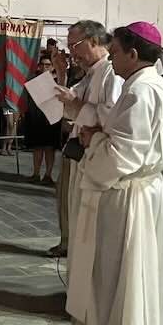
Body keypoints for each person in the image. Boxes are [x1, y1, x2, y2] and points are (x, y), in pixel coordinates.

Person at [67, 22, 163, 325]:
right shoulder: (152, 86)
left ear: (134, 54)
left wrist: (91, 142)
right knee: (134, 279)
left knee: (121, 280)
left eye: (115, 51)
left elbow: (123, 154)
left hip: (125, 197)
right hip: (140, 192)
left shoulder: (141, 92)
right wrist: (101, 136)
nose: (112, 57)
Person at [50, 20, 122, 260]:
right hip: (79, 149)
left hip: (97, 153)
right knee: (71, 205)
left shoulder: (112, 73)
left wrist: (76, 105)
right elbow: (70, 105)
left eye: (74, 46)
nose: (72, 53)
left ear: (93, 41)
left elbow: (112, 116)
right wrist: (61, 74)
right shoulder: (93, 72)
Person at [24, 56, 63, 185]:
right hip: (37, 118)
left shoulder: (58, 81)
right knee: (37, 147)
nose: (44, 67)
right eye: (42, 65)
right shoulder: (34, 81)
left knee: (49, 148)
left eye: (47, 65)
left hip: (52, 119)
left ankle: (48, 175)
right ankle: (36, 173)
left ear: (52, 67)